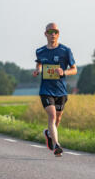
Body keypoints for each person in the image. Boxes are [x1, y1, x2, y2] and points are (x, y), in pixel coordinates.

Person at [33, 23, 77, 156]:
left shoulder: (65, 51)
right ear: (45, 34)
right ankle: (57, 145)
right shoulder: (40, 51)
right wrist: (37, 70)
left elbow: (74, 69)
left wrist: (63, 72)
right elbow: (39, 63)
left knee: (57, 119)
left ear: (58, 34)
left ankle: (49, 133)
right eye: (50, 32)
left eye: (55, 32)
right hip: (46, 90)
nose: (53, 34)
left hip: (61, 90)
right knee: (52, 116)